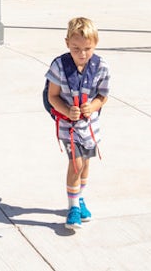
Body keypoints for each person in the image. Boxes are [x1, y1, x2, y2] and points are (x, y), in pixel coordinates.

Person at [44, 16, 110, 229]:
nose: (82, 54)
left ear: (96, 44)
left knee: (86, 163)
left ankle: (80, 198)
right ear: (67, 44)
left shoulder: (101, 67)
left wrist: (93, 106)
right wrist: (66, 110)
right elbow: (52, 96)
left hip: (89, 124)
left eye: (87, 49)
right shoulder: (59, 66)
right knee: (76, 163)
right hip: (68, 124)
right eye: (75, 49)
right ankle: (72, 207)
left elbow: (103, 96)